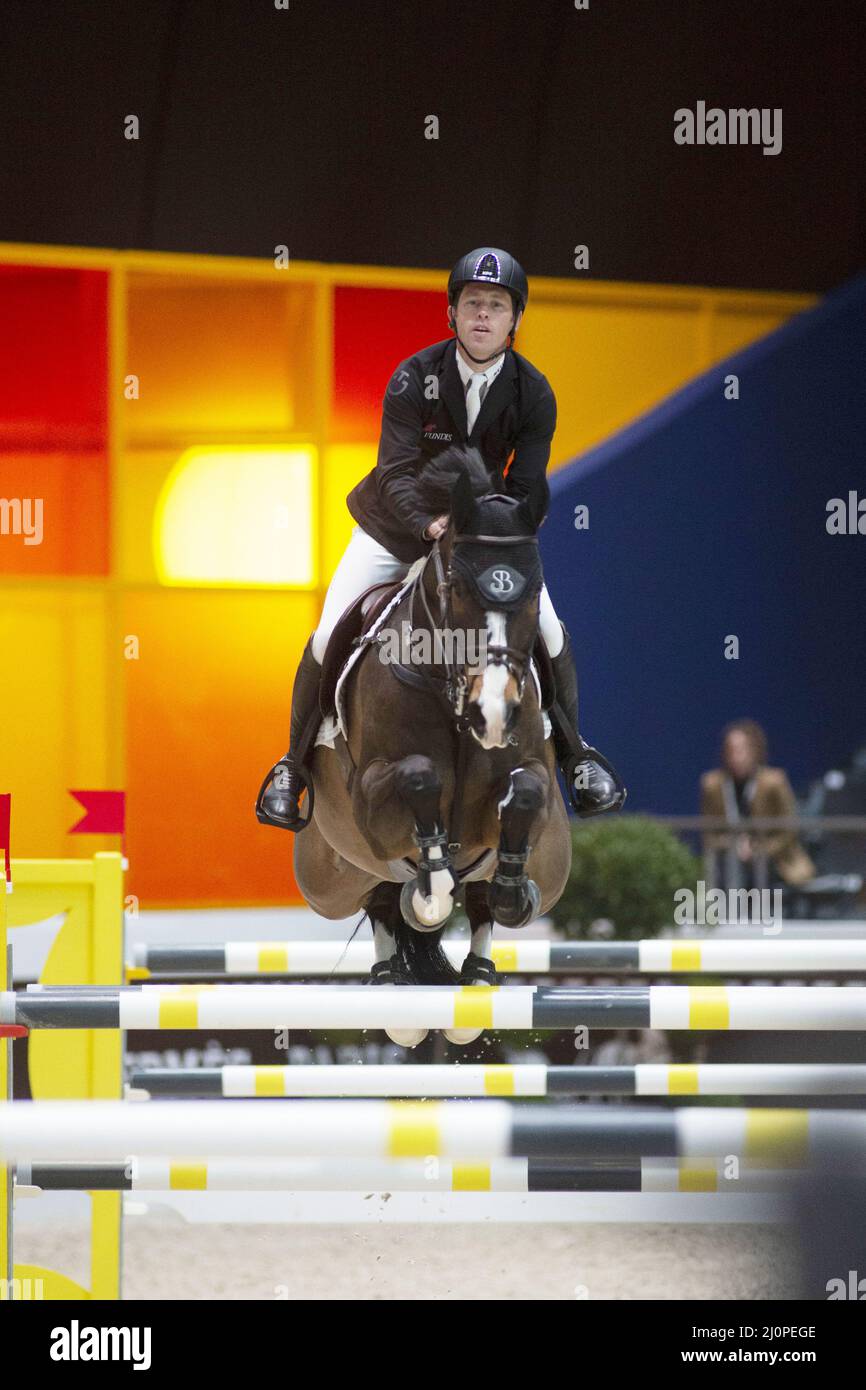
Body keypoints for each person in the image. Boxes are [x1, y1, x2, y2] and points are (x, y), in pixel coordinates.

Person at [257, 246, 625, 831]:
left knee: (550, 631)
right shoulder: (413, 377)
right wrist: (430, 528)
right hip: (396, 527)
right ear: (451, 315)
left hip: (482, 539)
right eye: (472, 304)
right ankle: (292, 767)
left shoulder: (535, 393)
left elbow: (528, 486)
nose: (483, 315)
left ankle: (577, 758)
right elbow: (397, 471)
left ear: (515, 320)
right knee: (329, 633)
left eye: (497, 306)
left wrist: (494, 536)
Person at [700, 719, 815, 890]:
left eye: (741, 750)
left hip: (774, 860)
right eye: (730, 750)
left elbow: (789, 830)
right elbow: (708, 834)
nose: (736, 757)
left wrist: (757, 849)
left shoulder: (774, 781)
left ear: (755, 751)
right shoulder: (711, 784)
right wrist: (734, 845)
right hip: (728, 859)